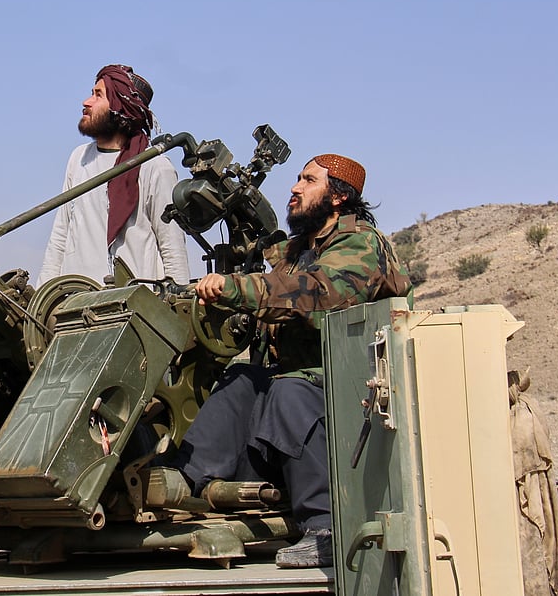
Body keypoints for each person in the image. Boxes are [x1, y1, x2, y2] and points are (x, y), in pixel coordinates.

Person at [158, 153, 411, 568]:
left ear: (337, 197)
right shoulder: (297, 250)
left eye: (308, 180)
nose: (295, 187)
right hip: (306, 388)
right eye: (297, 178)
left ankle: (327, 527)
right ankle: (180, 481)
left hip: (359, 390)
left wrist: (235, 288)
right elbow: (271, 280)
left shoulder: (362, 243)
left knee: (287, 388)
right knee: (242, 379)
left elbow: (316, 295)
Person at [38, 65, 189, 286]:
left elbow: (172, 247)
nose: (86, 102)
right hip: (75, 303)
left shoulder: (154, 166)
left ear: (121, 107)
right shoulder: (79, 158)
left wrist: (178, 306)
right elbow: (61, 234)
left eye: (98, 95)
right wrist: (43, 296)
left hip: (133, 310)